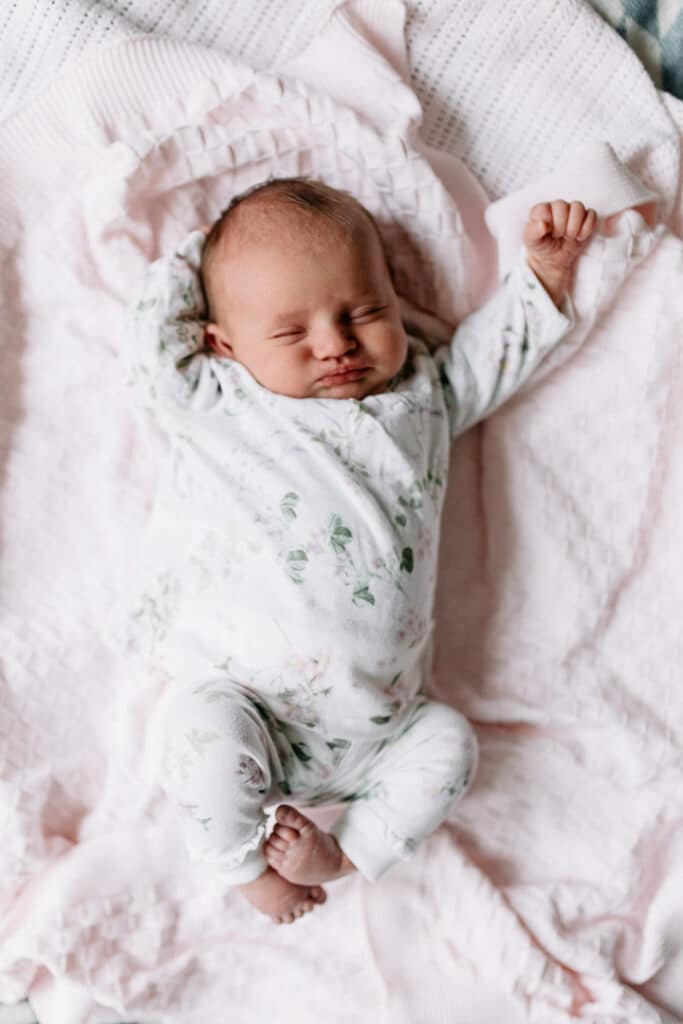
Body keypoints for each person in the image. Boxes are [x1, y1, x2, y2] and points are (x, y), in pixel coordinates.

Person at [125, 177, 596, 926]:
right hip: (245, 698)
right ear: (225, 343)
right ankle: (247, 869)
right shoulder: (216, 400)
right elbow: (151, 343)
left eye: (365, 312)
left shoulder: (422, 396)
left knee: (449, 745)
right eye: (290, 332)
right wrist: (202, 250)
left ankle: (342, 856)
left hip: (382, 725)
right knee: (198, 742)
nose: (336, 342)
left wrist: (545, 273)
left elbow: (495, 356)